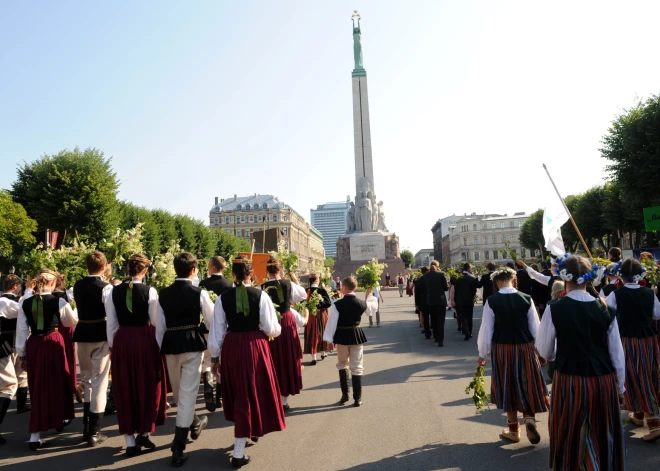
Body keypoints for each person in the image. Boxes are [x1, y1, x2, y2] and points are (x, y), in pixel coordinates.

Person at [536, 255, 625, 470]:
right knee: (601, 431)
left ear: (564, 277)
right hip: (602, 381)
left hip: (569, 380)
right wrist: (620, 387)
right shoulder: (606, 309)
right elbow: (616, 354)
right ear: (589, 278)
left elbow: (545, 350)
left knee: (570, 431)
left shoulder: (554, 308)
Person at [209, 255, 286, 469]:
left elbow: (216, 331)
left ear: (232, 274)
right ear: (251, 274)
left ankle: (247, 433)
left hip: (233, 345)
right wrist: (270, 330)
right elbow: (272, 329)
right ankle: (238, 452)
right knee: (250, 392)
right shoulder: (261, 296)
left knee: (242, 392)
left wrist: (215, 357)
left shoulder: (222, 298)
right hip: (255, 345)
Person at [476, 267, 548, 444]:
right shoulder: (526, 298)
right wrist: (541, 351)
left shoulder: (492, 301)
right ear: (514, 279)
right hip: (525, 348)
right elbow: (535, 327)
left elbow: (486, 330)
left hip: (503, 349)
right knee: (527, 383)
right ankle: (529, 418)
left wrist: (482, 353)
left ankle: (514, 429)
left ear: (497, 281)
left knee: (508, 386)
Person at [105, 254, 168, 457]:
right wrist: (159, 345)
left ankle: (130, 440)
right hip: (144, 339)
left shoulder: (112, 292)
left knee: (125, 387)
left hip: (122, 338)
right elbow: (156, 322)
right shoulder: (150, 291)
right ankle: (144, 430)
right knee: (147, 386)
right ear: (145, 270)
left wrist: (115, 346)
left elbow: (111, 324)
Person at [156, 252, 214, 467]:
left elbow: (160, 327)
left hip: (170, 344)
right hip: (191, 343)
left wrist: (161, 347)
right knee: (187, 394)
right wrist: (213, 348)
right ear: (193, 270)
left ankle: (194, 423)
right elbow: (211, 319)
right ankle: (178, 445)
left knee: (180, 392)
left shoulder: (163, 294)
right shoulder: (199, 293)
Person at [17, 268, 79, 450]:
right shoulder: (58, 301)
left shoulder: (25, 303)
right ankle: (57, 420)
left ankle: (36, 433)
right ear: (52, 284)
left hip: (34, 344)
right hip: (53, 343)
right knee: (57, 382)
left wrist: (22, 354)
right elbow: (70, 322)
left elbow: (21, 331)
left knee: (37, 386)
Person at [604, 258, 660, 441]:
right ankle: (638, 414)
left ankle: (654, 422)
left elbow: (607, 316)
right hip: (649, 341)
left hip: (628, 340)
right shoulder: (649, 293)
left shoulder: (616, 295)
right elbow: (657, 314)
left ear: (621, 276)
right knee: (648, 374)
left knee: (636, 376)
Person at [73, 250, 113, 446]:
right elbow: (111, 314)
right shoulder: (106, 288)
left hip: (82, 332)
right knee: (100, 382)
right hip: (99, 333)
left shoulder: (77, 285)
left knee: (87, 379)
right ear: (104, 267)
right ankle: (94, 431)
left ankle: (86, 427)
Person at [261, 257, 307, 412]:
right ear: (280, 270)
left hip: (271, 321)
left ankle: (272, 396)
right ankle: (284, 401)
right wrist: (293, 281)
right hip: (286, 321)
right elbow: (303, 296)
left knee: (273, 358)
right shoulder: (288, 284)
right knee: (287, 357)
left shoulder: (262, 287)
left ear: (267, 271)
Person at [324, 276, 377, 407]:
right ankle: (357, 398)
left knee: (342, 364)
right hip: (356, 334)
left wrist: (329, 339)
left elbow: (332, 323)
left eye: (342, 286)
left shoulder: (338, 304)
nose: (340, 288)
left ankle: (345, 395)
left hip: (342, 335)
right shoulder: (361, 303)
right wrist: (369, 294)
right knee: (357, 366)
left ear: (346, 288)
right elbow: (372, 309)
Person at [198, 256, 233, 412]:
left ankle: (208, 387)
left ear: (212, 267)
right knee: (222, 361)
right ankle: (219, 397)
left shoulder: (203, 284)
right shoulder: (229, 285)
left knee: (207, 360)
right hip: (223, 328)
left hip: (205, 328)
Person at [0, 275, 31, 418]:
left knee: (22, 373)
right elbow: (22, 309)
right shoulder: (4, 302)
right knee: (9, 383)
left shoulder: (11, 301)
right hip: (6, 344)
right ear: (14, 286)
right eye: (19, 286)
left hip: (15, 342)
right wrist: (28, 292)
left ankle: (22, 405)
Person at [53, 274, 78, 403]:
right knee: (68, 357)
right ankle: (71, 384)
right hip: (65, 328)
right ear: (61, 283)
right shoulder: (65, 297)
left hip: (52, 330)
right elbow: (72, 320)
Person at [304, 274, 332, 365]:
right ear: (316, 280)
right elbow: (328, 303)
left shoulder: (306, 290)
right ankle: (323, 353)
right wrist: (320, 305)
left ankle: (314, 357)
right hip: (321, 315)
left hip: (310, 315)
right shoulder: (321, 290)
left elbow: (302, 303)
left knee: (312, 333)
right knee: (322, 332)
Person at [424, 261, 449, 346]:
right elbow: (445, 288)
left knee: (433, 319)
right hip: (441, 301)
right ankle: (440, 340)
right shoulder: (441, 274)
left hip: (431, 300)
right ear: (437, 266)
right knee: (441, 321)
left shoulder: (426, 275)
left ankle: (435, 336)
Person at [453, 263, 478, 341]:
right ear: (468, 268)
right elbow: (474, 290)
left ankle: (465, 330)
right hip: (469, 300)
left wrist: (455, 300)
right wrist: (471, 296)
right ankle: (469, 332)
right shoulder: (471, 278)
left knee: (463, 317)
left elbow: (455, 290)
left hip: (460, 300)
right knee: (469, 317)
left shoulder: (458, 278)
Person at [413, 267, 429, 334]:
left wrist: (416, 304)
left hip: (422, 301)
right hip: (430, 299)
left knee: (422, 314)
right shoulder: (430, 279)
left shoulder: (418, 281)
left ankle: (424, 329)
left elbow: (416, 293)